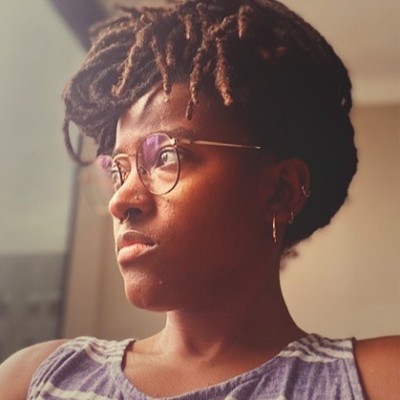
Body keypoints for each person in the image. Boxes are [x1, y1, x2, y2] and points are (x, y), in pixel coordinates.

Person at [0, 0, 398, 398]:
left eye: (166, 156)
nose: (120, 201)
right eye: (118, 170)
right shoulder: (35, 379)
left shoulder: (375, 381)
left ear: (280, 191)